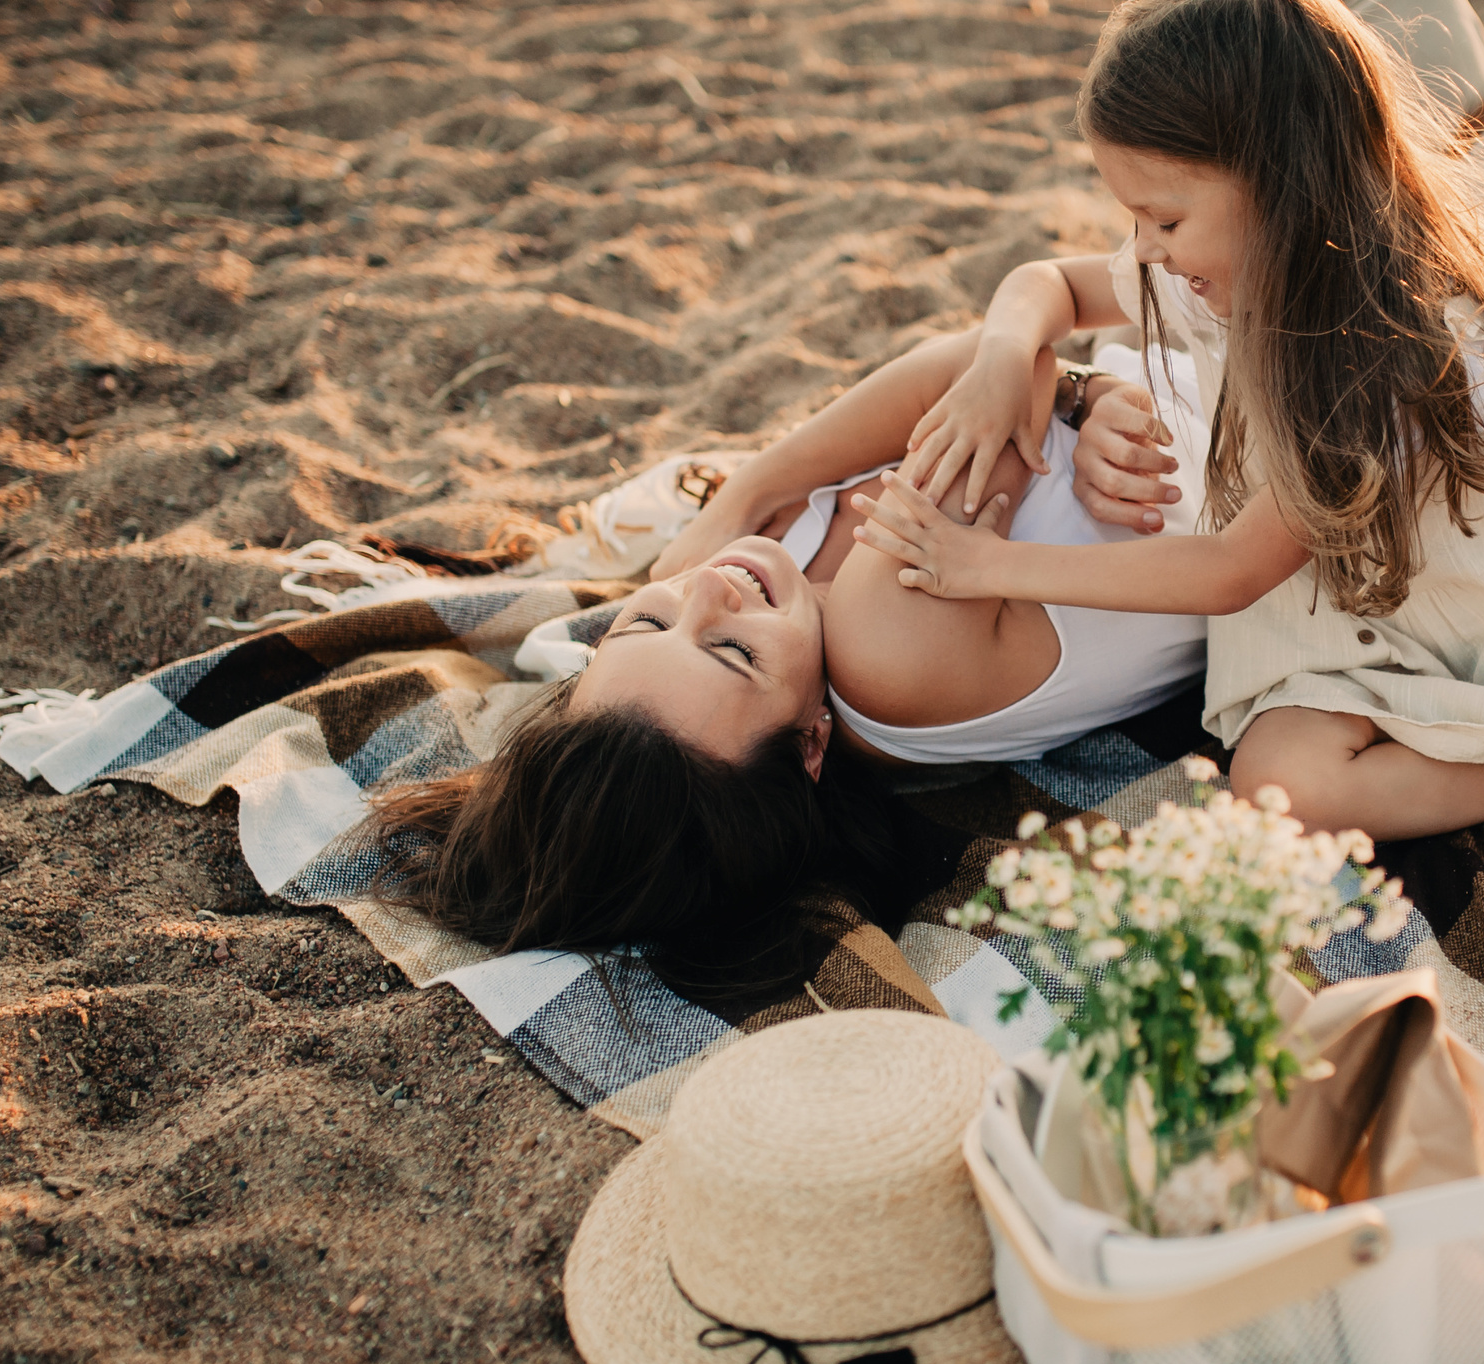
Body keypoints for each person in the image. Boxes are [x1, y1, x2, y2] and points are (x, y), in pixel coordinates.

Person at [853, 0, 1484, 912]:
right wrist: (1004, 353)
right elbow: (1049, 285)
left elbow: (1228, 572)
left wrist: (989, 567)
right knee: (1279, 788)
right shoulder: (1222, 269)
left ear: (1275, 185)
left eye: (1163, 219)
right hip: (1343, 626)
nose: (1144, 249)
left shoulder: (1393, 349)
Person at [362, 325, 1222, 996]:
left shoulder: (769, 590)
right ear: (811, 743)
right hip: (1245, 441)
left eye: (644, 624)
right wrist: (1085, 392)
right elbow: (1009, 369)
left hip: (1182, 363)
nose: (707, 590)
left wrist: (740, 498)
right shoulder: (884, 646)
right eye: (732, 652)